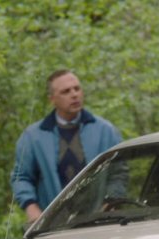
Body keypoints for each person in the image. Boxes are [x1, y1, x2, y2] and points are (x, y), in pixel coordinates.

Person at [10, 70, 122, 224]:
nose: (74, 94)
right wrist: (31, 206)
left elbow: (118, 172)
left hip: (99, 221)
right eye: (66, 91)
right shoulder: (33, 136)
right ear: (52, 99)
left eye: (77, 88)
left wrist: (111, 201)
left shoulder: (105, 130)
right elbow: (21, 177)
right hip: (51, 225)